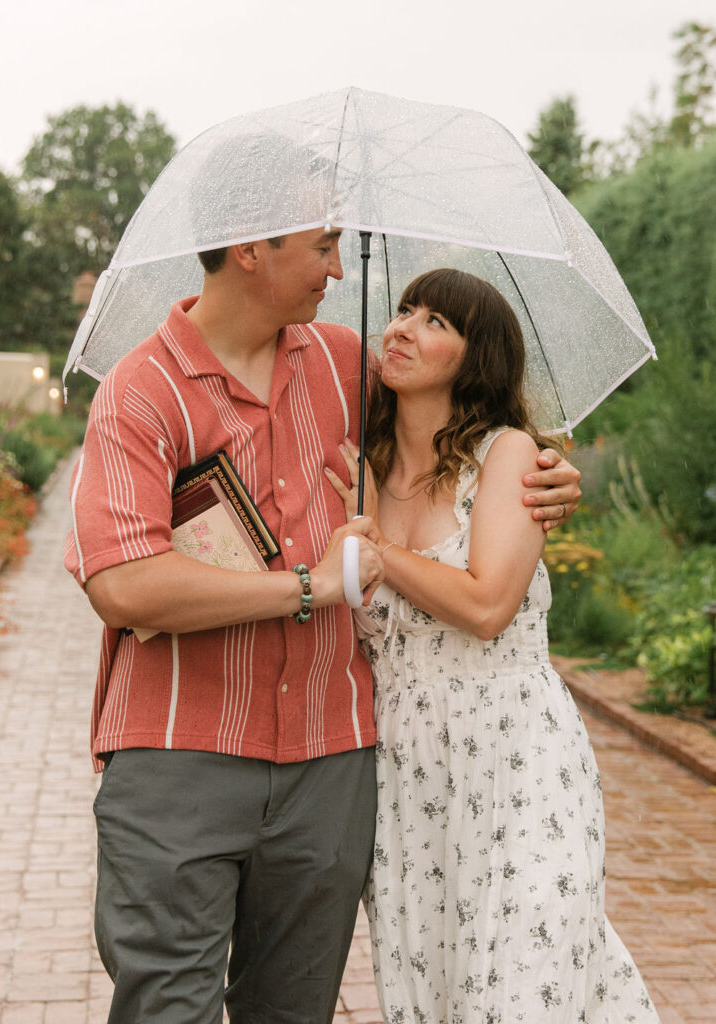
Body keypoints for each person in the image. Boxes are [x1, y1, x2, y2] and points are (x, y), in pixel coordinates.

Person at [65, 234, 582, 1023]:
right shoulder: (140, 391)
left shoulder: (347, 365)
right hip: (180, 756)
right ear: (249, 247)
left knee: (294, 1012)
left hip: (330, 767)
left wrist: (547, 475)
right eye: (323, 246)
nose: (340, 269)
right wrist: (310, 587)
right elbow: (124, 585)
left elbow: (462, 426)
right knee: (168, 1006)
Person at [327, 268, 659, 1024]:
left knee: (524, 983)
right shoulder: (359, 470)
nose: (404, 327)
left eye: (437, 321)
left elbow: (486, 604)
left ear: (478, 358)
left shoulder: (509, 456)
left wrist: (378, 550)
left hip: (515, 754)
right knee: (434, 991)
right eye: (404, 310)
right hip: (406, 771)